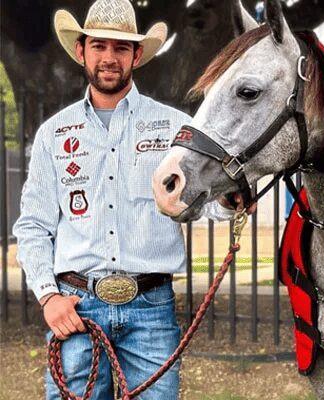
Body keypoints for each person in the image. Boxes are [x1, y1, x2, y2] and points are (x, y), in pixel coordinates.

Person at [12, 1, 237, 398]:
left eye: (120, 48)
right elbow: (33, 226)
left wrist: (230, 200)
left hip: (151, 310)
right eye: (99, 46)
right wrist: (48, 296)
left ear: (137, 55)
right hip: (76, 308)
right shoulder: (53, 134)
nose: (109, 58)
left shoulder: (175, 128)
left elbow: (203, 204)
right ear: (81, 51)